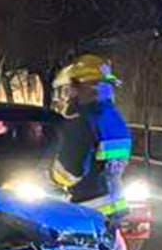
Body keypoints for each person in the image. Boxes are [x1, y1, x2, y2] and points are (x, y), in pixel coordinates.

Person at [49, 53, 132, 223]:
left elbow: (70, 173)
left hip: (87, 211)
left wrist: (48, 175)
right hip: (115, 206)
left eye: (65, 91)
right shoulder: (114, 119)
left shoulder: (80, 122)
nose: (66, 97)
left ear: (76, 87)